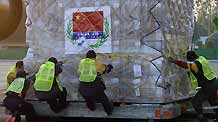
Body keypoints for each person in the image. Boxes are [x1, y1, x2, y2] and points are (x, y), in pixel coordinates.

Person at [168, 51, 218, 122]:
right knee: (213, 101)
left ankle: (202, 118)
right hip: (214, 82)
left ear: (191, 59)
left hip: (208, 86)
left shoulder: (194, 64)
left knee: (196, 101)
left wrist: (173, 61)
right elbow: (199, 70)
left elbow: (184, 65)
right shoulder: (202, 59)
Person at [78, 50, 114, 115]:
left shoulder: (81, 62)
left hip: (82, 88)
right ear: (94, 57)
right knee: (103, 99)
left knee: (88, 99)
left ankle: (92, 108)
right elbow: (106, 70)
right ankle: (109, 111)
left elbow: (79, 72)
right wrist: (109, 67)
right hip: (94, 88)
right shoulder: (97, 64)